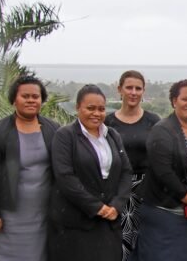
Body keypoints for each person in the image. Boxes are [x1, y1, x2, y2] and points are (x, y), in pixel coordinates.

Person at [0, 75, 61, 261]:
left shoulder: (52, 128)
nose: (31, 100)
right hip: (8, 215)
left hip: (41, 215)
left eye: (36, 96)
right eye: (26, 96)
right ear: (14, 99)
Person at [50, 84, 133, 260]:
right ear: (78, 108)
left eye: (101, 109)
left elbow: (126, 172)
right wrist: (97, 207)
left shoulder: (112, 136)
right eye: (90, 108)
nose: (96, 113)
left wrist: (116, 206)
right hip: (76, 223)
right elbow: (65, 177)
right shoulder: (65, 136)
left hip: (109, 223)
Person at [137, 79, 187, 261]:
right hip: (164, 213)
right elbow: (164, 173)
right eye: (185, 99)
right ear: (174, 101)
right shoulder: (161, 131)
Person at [104, 70, 161, 261]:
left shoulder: (153, 121)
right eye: (129, 87)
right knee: (116, 241)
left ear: (143, 91)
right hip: (115, 190)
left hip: (146, 190)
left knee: (145, 241)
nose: (133, 92)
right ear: (120, 89)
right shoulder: (107, 121)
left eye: (138, 88)